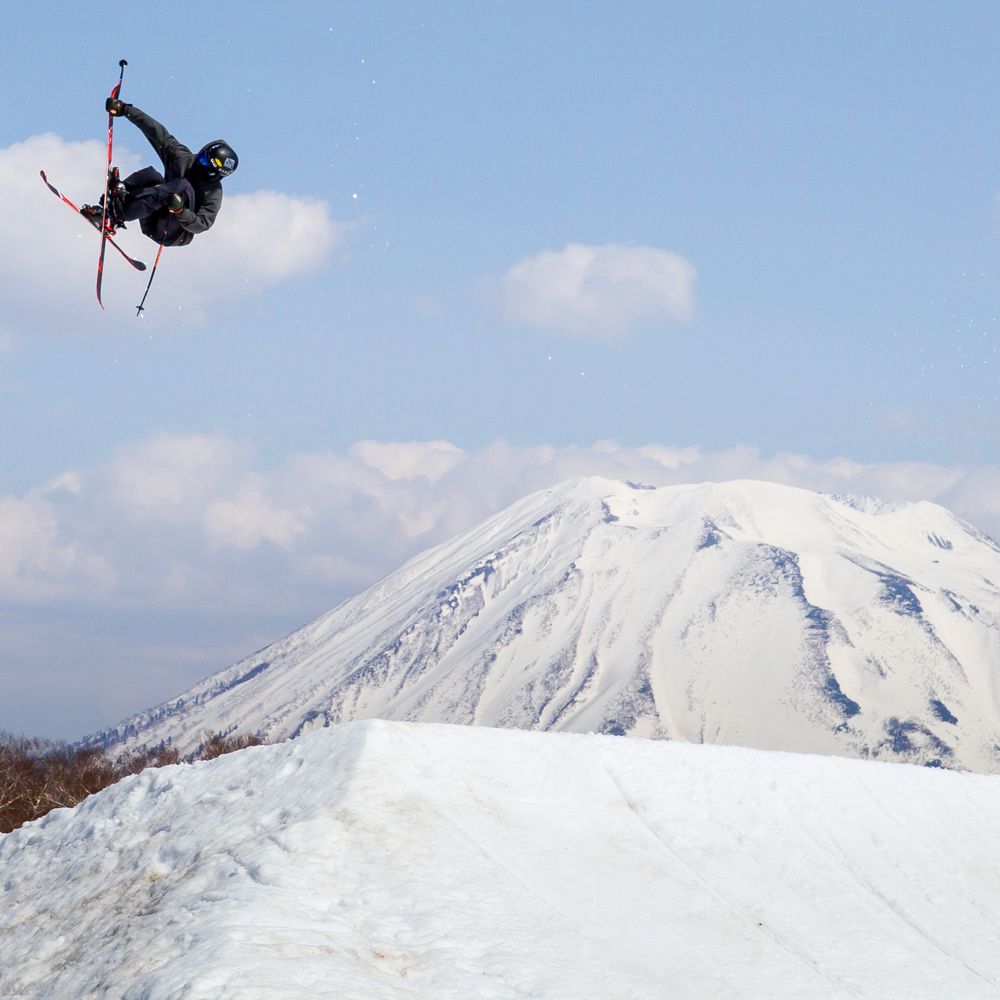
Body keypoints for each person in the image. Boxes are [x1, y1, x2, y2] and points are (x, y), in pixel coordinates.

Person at [81, 99, 238, 247]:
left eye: (205, 163)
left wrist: (180, 211)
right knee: (151, 176)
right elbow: (157, 133)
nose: (199, 162)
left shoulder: (213, 191)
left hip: (172, 233)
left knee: (182, 185)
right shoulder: (182, 158)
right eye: (203, 157)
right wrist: (126, 110)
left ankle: (117, 214)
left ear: (214, 173)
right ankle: (114, 207)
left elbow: (202, 224)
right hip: (152, 212)